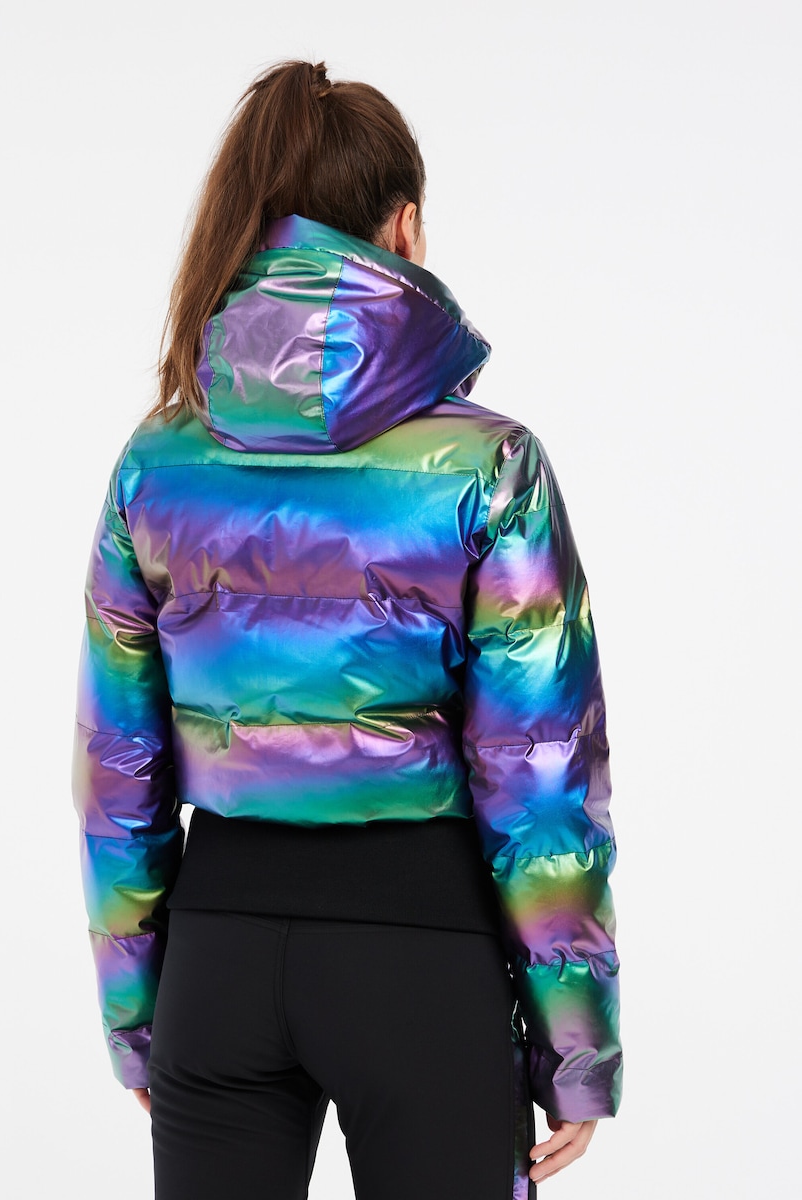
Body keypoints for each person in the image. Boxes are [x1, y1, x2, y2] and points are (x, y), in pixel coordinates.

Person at [71, 59, 622, 1200]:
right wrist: (574, 1042)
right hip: (420, 959)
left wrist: (139, 1014)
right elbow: (538, 771)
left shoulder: (157, 462)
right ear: (404, 227)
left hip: (219, 963)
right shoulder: (489, 466)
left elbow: (117, 769)